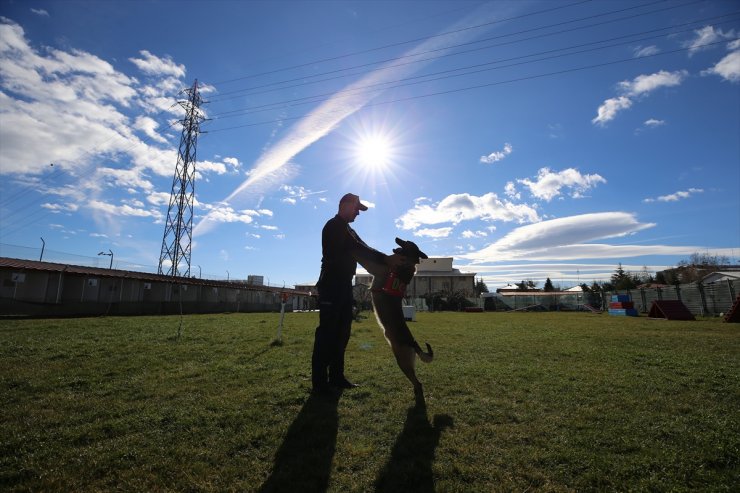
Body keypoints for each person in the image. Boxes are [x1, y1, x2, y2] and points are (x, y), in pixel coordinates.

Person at [311, 193, 399, 394]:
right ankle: (319, 383)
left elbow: (364, 248)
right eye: (356, 209)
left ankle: (337, 377)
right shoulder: (334, 226)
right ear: (345, 205)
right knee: (327, 334)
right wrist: (386, 259)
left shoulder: (348, 229)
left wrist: (386, 261)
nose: (358, 214)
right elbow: (357, 248)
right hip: (331, 286)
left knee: (342, 333)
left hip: (343, 286)